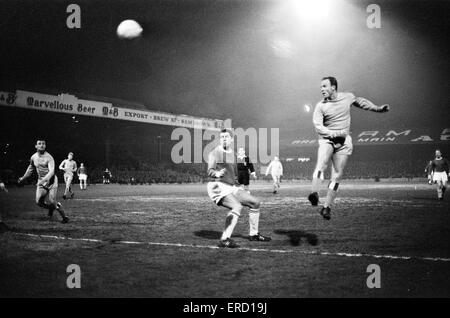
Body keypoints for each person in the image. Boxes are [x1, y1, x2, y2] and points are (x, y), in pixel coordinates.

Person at [308, 76, 390, 220]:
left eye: (324, 86)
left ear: (333, 87)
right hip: (327, 139)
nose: (322, 89)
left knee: (338, 174)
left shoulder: (347, 97)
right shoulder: (320, 106)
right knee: (322, 163)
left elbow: (361, 102)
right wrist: (333, 133)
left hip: (344, 141)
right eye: (321, 87)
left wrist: (378, 109)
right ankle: (314, 193)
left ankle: (326, 207)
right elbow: (318, 127)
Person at [207, 129, 271, 248]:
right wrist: (216, 173)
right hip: (217, 186)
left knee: (255, 203)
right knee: (237, 206)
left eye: (226, 137)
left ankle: (254, 234)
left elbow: (238, 172)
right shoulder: (215, 152)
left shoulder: (235, 154)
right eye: (222, 137)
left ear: (231, 139)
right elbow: (210, 171)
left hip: (231, 187)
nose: (224, 139)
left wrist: (241, 183)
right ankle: (224, 239)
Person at [18, 140, 69, 223]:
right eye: (39, 144)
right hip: (41, 181)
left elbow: (51, 171)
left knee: (52, 200)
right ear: (36, 146)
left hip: (51, 180)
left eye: (43, 144)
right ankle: (51, 208)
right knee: (39, 202)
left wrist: (44, 180)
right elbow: (30, 168)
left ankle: (64, 217)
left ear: (45, 146)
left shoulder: (49, 157)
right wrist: (23, 178)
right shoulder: (33, 157)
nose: (41, 145)